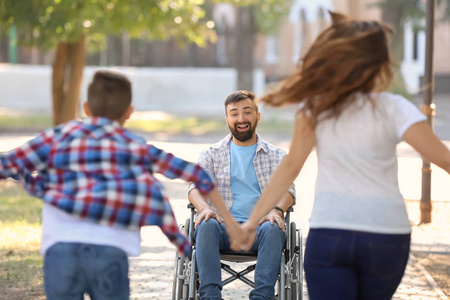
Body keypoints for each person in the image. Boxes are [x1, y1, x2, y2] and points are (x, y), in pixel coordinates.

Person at [235, 12, 450, 300]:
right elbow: (445, 160)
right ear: (379, 63)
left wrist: (251, 222)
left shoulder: (316, 108)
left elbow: (290, 167)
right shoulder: (395, 108)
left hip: (331, 233)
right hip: (386, 234)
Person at [0, 70, 240, 300]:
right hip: (110, 251)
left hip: (61, 250)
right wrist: (225, 224)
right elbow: (197, 175)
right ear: (128, 112)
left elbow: (7, 164)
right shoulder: (135, 146)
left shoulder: (56, 138)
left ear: (86, 108)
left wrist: (30, 180)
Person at [188, 90, 296, 300]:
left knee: (273, 225)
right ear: (227, 119)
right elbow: (194, 188)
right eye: (234, 113)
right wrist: (205, 209)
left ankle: (261, 297)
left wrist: (277, 210)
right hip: (221, 229)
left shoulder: (276, 155)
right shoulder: (211, 153)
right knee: (206, 223)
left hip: (261, 230)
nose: (241, 119)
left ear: (258, 116)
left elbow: (288, 190)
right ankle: (210, 296)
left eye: (247, 112)